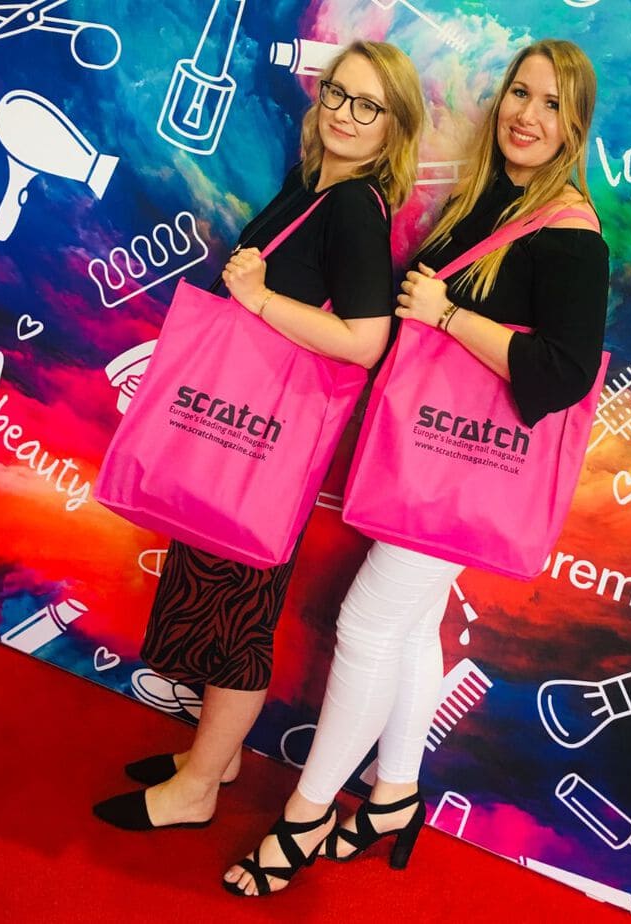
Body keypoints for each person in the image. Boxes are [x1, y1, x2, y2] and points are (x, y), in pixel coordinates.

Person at [223, 38, 609, 896]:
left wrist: (448, 318)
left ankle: (305, 815)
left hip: (460, 472)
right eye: (519, 93)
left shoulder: (569, 232)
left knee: (367, 627)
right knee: (409, 626)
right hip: (431, 463)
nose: (526, 114)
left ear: (576, 125)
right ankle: (395, 793)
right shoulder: (496, 201)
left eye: (551, 103)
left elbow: (564, 373)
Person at [92, 40, 425, 832]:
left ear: (394, 126)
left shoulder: (353, 207)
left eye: (369, 105)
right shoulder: (314, 186)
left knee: (239, 618)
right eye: (337, 93)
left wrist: (259, 300)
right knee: (218, 602)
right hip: (234, 435)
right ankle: (217, 758)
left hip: (256, 447)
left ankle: (198, 789)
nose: (346, 114)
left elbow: (366, 340)